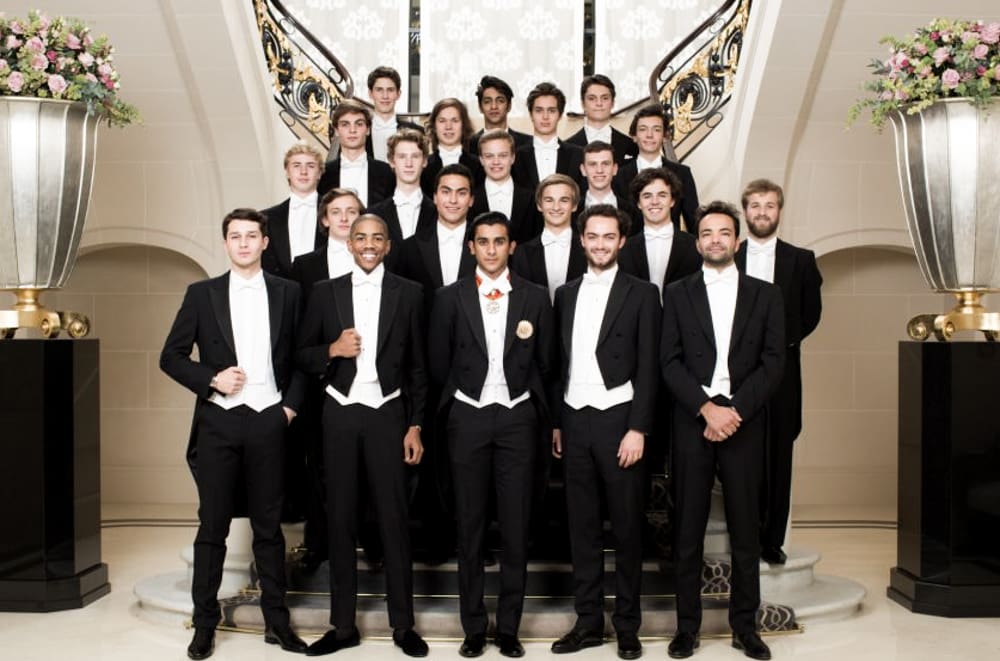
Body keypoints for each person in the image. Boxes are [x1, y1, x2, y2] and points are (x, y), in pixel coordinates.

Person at [160, 208, 308, 660]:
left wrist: (288, 409)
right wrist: (212, 379)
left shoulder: (289, 292)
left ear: (265, 242)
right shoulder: (201, 294)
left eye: (251, 236)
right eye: (235, 236)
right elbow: (171, 356)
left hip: (269, 420)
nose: (243, 243)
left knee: (269, 528)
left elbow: (302, 357)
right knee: (212, 527)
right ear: (226, 243)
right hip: (219, 422)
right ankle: (204, 624)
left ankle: (276, 622)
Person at [296, 214, 429, 657]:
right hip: (339, 412)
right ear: (349, 244)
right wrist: (332, 350)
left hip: (389, 413)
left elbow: (418, 368)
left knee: (394, 519)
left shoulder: (409, 293)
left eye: (377, 238)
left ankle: (403, 625)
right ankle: (342, 626)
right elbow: (301, 355)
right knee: (340, 520)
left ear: (388, 245)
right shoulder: (324, 292)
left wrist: (415, 425)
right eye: (360, 237)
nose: (369, 244)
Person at [660, 201, 785, 661]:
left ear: (737, 240)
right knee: (687, 530)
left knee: (745, 530)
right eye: (707, 233)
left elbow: (774, 362)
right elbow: (668, 360)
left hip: (743, 422)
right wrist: (706, 409)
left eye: (724, 232)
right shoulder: (676, 293)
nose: (715, 240)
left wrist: (734, 411)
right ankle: (686, 628)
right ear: (697, 243)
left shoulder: (766, 294)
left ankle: (745, 627)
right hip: (693, 421)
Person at [429, 212, 555, 658]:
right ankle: (474, 627)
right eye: (482, 242)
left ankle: (509, 628)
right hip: (468, 416)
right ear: (471, 248)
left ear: (511, 246)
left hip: (518, 417)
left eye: (499, 241)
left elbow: (547, 362)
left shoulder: (536, 297)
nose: (491, 249)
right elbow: (438, 364)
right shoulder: (448, 297)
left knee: (517, 527)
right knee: (470, 526)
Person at [550, 205, 660, 661]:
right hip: (575, 419)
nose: (600, 244)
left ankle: (628, 626)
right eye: (592, 236)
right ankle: (588, 622)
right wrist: (558, 421)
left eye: (608, 237)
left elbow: (650, 367)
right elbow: (559, 363)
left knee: (628, 528)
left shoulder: (643, 293)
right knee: (583, 528)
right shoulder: (565, 293)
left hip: (620, 420)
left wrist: (638, 428)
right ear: (581, 240)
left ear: (621, 241)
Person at [735, 179, 822, 566]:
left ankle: (771, 539)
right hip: (737, 372)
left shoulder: (801, 260)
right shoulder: (730, 255)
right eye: (755, 205)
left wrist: (777, 346)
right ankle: (744, 534)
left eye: (769, 205)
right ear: (745, 211)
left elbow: (811, 314)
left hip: (783, 372)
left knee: (778, 455)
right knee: (741, 454)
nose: (762, 212)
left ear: (779, 211)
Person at [619, 167, 701, 299]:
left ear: (672, 200)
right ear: (639, 203)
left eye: (662, 195)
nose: (655, 202)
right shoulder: (624, 250)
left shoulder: (695, 247)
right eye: (647, 196)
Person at [614, 105, 699, 233]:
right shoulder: (619, 176)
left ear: (665, 136)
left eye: (656, 130)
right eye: (643, 129)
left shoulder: (682, 174)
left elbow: (694, 223)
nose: (649, 135)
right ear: (634, 136)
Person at [510, 174, 586, 302]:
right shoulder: (522, 253)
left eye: (564, 200)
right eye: (549, 200)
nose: (556, 207)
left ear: (574, 206)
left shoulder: (588, 250)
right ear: (539, 205)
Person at [261, 142, 326, 279]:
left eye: (310, 166)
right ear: (287, 172)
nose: (303, 172)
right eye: (297, 165)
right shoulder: (266, 218)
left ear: (319, 173)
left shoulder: (335, 214)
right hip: (281, 289)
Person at [367, 129, 437, 254]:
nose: (409, 164)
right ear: (391, 161)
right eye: (402, 156)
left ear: (425, 161)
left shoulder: (439, 213)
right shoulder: (373, 214)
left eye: (415, 156)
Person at [317, 99, 394, 205]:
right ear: (336, 131)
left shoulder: (387, 173)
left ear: (368, 130)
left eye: (359, 124)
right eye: (345, 124)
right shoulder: (323, 174)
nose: (352, 130)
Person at [470, 129, 540, 243]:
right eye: (489, 156)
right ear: (481, 160)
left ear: (512, 158)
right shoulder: (470, 199)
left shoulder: (531, 199)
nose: (496, 162)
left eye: (502, 155)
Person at [511, 82, 583, 190]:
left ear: (560, 115)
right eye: (539, 111)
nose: (545, 117)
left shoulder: (577, 155)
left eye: (551, 111)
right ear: (531, 114)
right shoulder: (516, 156)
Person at [566, 74, 638, 165]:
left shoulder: (631, 145)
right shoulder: (567, 148)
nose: (599, 103)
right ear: (583, 104)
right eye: (592, 98)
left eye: (605, 98)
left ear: (612, 103)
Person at [420, 97, 484, 195]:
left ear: (464, 125)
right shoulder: (423, 166)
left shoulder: (479, 165)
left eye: (454, 120)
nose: (448, 127)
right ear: (434, 126)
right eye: (442, 121)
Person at [366, 66, 422, 162]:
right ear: (370, 94)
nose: (385, 96)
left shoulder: (417, 131)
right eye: (379, 90)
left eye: (390, 90)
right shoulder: (359, 132)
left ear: (398, 94)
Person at [468, 75, 532, 155]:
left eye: (500, 101)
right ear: (480, 107)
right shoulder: (468, 145)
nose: (494, 106)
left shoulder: (528, 144)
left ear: (509, 106)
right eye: (487, 102)